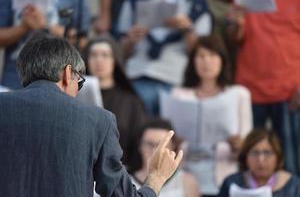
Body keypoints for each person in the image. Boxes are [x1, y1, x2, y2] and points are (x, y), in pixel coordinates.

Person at [0, 34, 183, 197]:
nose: (77, 92)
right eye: (78, 82)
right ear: (67, 74)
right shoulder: (98, 120)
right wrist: (156, 177)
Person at [169, 35, 252, 195]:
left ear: (222, 60)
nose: (206, 62)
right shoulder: (178, 95)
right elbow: (167, 142)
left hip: (223, 175)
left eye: (212, 55)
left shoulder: (239, 94)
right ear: (193, 61)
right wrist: (175, 143)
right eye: (201, 56)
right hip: (185, 173)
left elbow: (248, 146)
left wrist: (238, 145)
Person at [228, 0, 300, 174]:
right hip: (249, 91)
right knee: (249, 163)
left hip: (290, 92)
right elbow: (233, 37)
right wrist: (235, 22)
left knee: (291, 165)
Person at [0, 0, 90, 89]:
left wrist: (46, 25)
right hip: (15, 75)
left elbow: (83, 41)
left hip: (60, 71)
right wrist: (24, 27)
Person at [84, 36, 147, 164]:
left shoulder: (131, 101)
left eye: (105, 55)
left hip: (119, 168)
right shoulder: (75, 95)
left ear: (115, 60)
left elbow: (137, 142)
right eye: (93, 55)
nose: (99, 60)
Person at [218, 129, 300, 197]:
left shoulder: (294, 186)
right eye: (255, 153)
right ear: (245, 156)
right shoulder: (231, 183)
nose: (260, 159)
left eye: (267, 152)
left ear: (277, 156)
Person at [129, 118, 200, 197]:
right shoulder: (124, 181)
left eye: (161, 145)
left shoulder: (186, 181)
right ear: (140, 145)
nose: (155, 150)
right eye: (149, 144)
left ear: (172, 147)